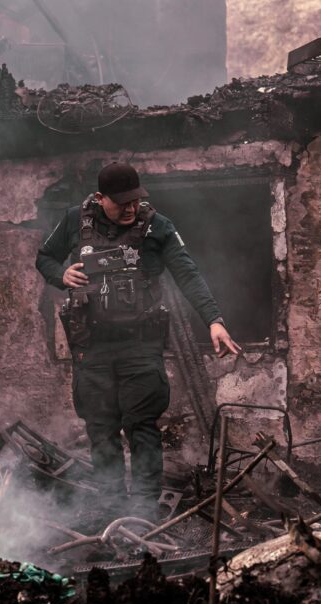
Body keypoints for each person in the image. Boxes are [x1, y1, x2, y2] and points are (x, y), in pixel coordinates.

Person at [35, 162, 240, 519]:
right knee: (101, 429)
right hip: (92, 348)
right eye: (121, 202)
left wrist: (214, 320)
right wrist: (60, 274)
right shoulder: (74, 221)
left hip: (140, 346)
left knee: (142, 426)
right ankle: (111, 511)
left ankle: (144, 513)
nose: (131, 208)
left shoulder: (157, 227)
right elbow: (45, 257)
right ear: (100, 199)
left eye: (136, 200)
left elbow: (188, 273)